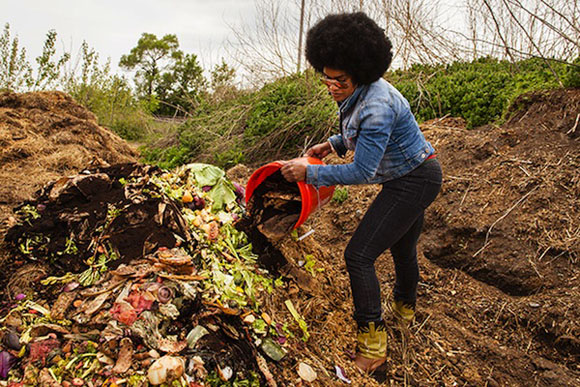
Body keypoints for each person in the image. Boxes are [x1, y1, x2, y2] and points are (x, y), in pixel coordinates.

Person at [280, 12, 442, 373]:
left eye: (340, 80)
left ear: (361, 71)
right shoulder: (362, 92)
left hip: (414, 180)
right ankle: (405, 312)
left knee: (358, 256)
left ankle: (373, 347)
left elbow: (363, 171)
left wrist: (309, 174)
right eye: (326, 78)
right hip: (414, 172)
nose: (332, 86)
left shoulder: (377, 105)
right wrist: (332, 143)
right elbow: (362, 137)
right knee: (402, 248)